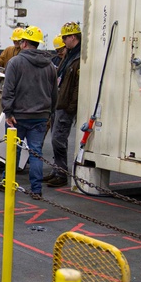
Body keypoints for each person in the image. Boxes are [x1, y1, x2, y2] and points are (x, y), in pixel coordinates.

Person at [0, 26, 57, 199]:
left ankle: (7, 182)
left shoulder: (15, 63)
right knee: (36, 153)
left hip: (17, 116)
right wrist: (49, 113)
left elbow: (8, 90)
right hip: (40, 116)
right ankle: (36, 189)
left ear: (24, 43)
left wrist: (8, 112)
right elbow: (54, 93)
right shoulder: (50, 66)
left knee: (13, 151)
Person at [46, 22, 82, 187]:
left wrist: (70, 107)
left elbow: (77, 86)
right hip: (58, 103)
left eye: (65, 38)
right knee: (56, 139)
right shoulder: (69, 55)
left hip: (65, 105)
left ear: (72, 37)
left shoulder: (79, 58)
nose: (63, 42)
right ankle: (56, 170)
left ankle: (61, 173)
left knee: (58, 140)